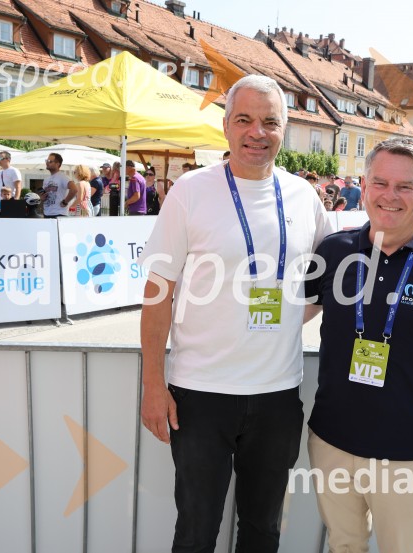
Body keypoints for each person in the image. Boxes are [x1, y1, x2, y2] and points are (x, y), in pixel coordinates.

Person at [138, 74, 331, 553]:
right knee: (196, 531)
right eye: (244, 119)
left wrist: (285, 323)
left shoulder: (304, 196)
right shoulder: (190, 190)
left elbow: (330, 278)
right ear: (225, 126)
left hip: (277, 396)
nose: (256, 132)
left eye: (270, 122)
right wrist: (153, 385)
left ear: (284, 129)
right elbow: (158, 293)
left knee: (263, 530)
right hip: (200, 396)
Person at [304, 137, 413, 552]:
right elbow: (289, 317)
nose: (390, 195)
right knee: (343, 546)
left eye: (405, 187)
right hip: (331, 442)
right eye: (381, 183)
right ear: (364, 187)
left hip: (406, 453)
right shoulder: (333, 251)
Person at [40, 153, 77, 218]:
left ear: (57, 164)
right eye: (46, 161)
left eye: (50, 161)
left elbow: (74, 189)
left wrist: (65, 202)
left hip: (59, 214)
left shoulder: (63, 177)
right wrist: (42, 198)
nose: (47, 163)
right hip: (47, 213)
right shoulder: (46, 180)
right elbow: (44, 197)